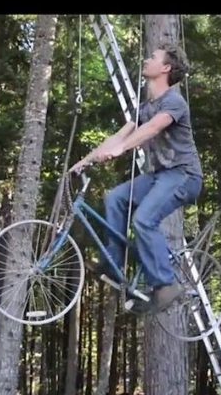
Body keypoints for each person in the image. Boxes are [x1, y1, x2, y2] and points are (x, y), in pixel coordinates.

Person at [69, 43, 203, 312]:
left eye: (152, 57)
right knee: (115, 198)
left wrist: (122, 149)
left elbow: (153, 128)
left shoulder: (174, 102)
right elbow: (119, 135)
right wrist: (86, 160)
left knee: (143, 220)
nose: (146, 59)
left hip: (184, 175)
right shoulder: (144, 107)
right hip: (159, 175)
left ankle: (165, 285)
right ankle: (113, 263)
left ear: (165, 68)